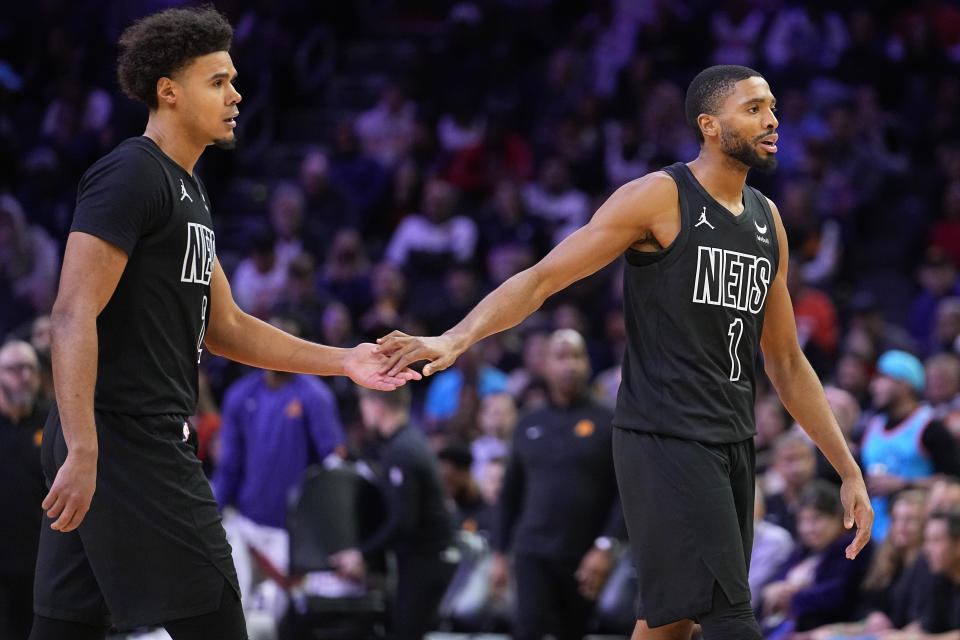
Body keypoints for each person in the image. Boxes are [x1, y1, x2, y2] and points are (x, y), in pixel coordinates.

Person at [376, 64, 873, 640]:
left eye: (773, 107)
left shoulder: (769, 221)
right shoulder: (658, 197)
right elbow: (541, 279)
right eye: (755, 109)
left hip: (733, 437)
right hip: (664, 434)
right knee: (732, 616)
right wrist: (455, 337)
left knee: (670, 624)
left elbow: (786, 362)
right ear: (709, 125)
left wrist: (847, 468)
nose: (772, 121)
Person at [31, 8, 417, 640]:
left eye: (233, 80)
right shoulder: (131, 172)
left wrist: (343, 359)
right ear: (169, 91)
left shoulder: (190, 191)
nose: (236, 94)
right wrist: (83, 446)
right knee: (217, 617)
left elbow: (227, 327)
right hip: (122, 437)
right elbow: (72, 313)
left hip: (113, 437)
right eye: (218, 81)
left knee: (64, 628)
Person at [490, 329, 624, 640]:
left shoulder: (610, 420)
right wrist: (499, 553)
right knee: (528, 630)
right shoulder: (527, 421)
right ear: (545, 365)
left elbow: (626, 492)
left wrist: (606, 545)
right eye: (561, 357)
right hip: (532, 550)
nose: (569, 366)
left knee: (573, 633)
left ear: (588, 364)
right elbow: (510, 493)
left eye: (577, 356)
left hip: (584, 554)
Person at [329, 386, 457, 640]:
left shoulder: (402, 451)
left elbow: (402, 522)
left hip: (425, 562)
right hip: (427, 560)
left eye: (364, 407)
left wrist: (361, 554)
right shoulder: (410, 441)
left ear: (378, 406)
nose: (364, 416)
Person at [862, 350, 960, 541]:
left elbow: (954, 481)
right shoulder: (872, 425)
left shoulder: (931, 427)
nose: (874, 386)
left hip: (917, 534)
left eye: (882, 379)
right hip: (873, 534)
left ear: (904, 384)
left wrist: (903, 484)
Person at [0, 341, 48, 640]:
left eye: (30, 367)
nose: (24, 375)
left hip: (41, 561)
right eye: (14, 369)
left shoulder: (53, 421)